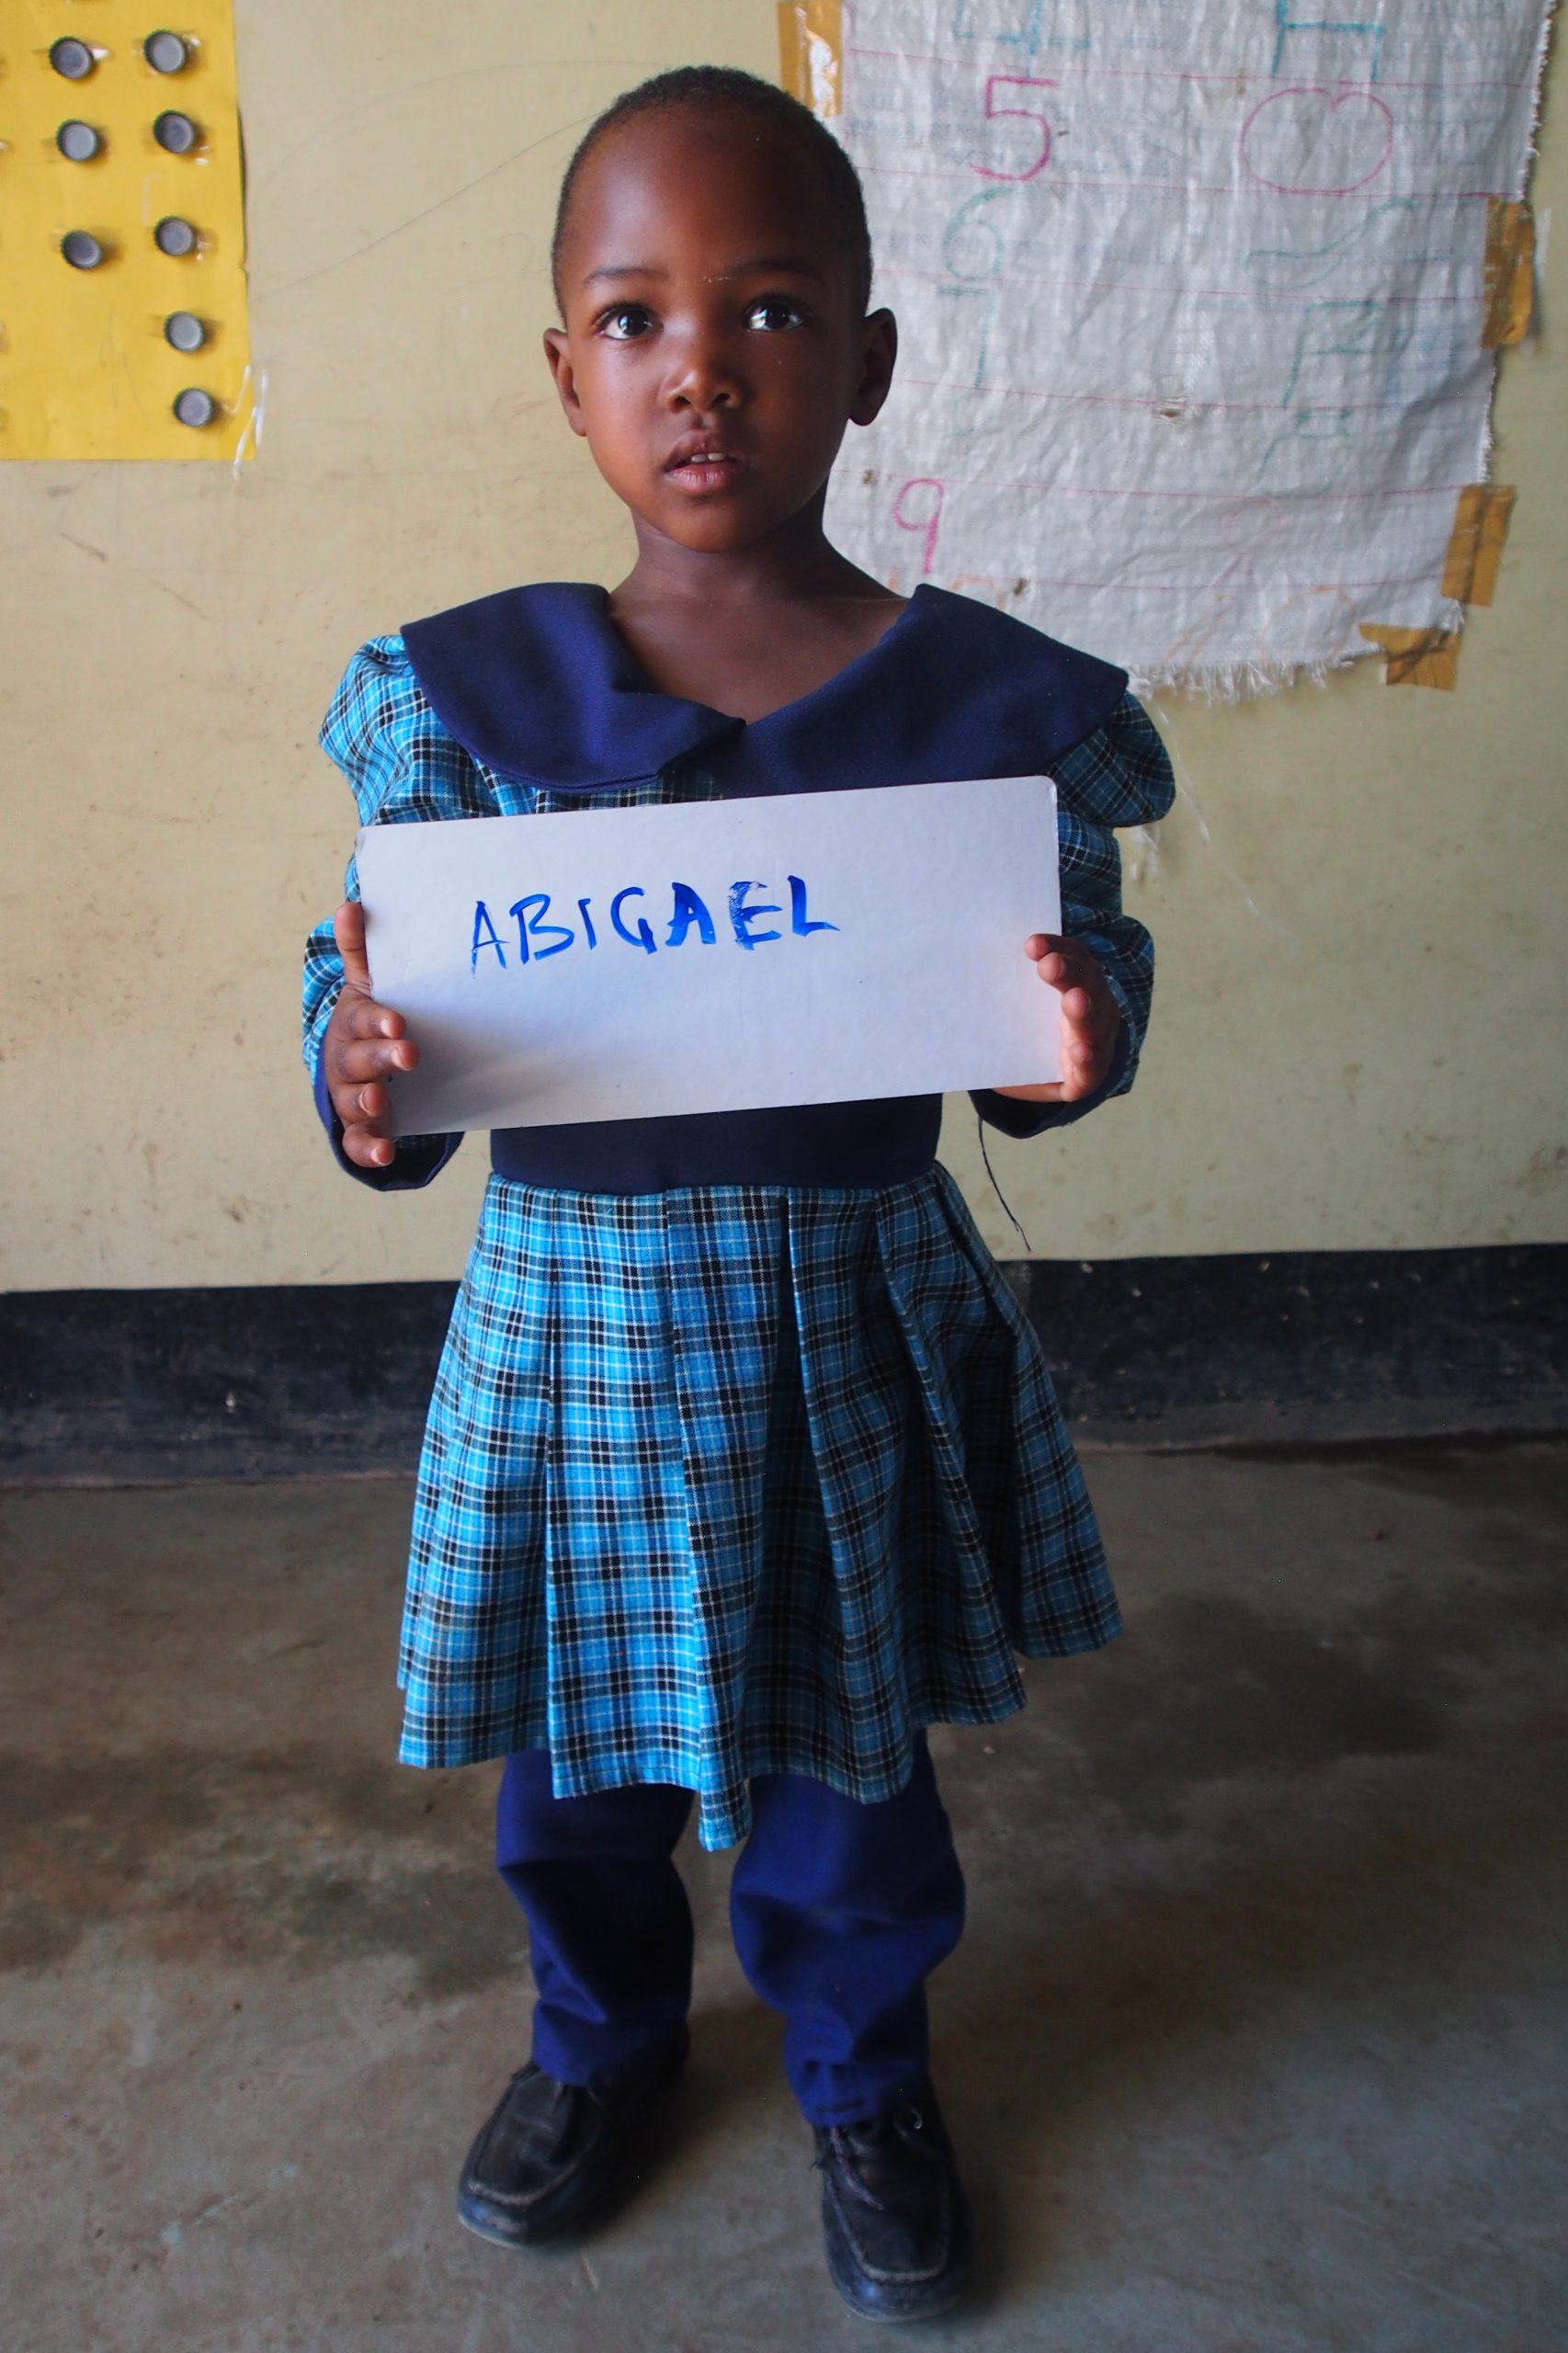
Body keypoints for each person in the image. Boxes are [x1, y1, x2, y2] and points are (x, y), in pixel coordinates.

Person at [302, 64, 1174, 2326]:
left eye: (771, 311)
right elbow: (371, 980)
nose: (701, 368)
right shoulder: (465, 706)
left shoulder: (980, 711)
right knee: (572, 1760)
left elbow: (1075, 966)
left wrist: (1075, 1030)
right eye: (636, 318)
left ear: (865, 361)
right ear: (566, 373)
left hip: (843, 1319)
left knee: (843, 1756)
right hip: (569, 1334)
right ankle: (596, 2037)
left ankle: (862, 2072)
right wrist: (357, 1061)